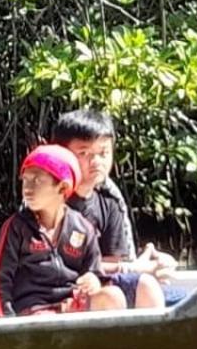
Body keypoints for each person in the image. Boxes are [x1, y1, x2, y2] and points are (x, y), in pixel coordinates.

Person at [50, 107, 182, 308]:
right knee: (143, 284)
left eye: (103, 153)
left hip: (103, 284)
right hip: (64, 291)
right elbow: (63, 266)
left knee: (184, 299)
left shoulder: (109, 199)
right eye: (84, 153)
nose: (96, 162)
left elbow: (110, 264)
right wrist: (135, 269)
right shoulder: (51, 199)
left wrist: (148, 266)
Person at [0, 144, 127, 317]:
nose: (27, 188)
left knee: (113, 296)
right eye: (25, 180)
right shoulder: (16, 228)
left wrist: (93, 280)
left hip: (71, 304)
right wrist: (7, 321)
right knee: (45, 319)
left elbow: (94, 271)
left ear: (62, 188)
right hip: (34, 310)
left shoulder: (83, 228)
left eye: (37, 181)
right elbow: (0, 280)